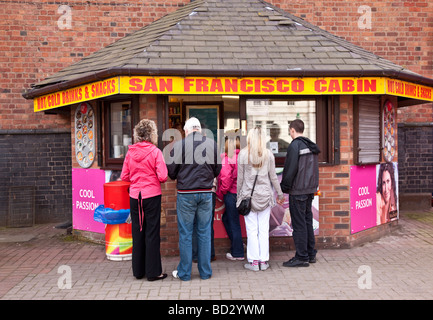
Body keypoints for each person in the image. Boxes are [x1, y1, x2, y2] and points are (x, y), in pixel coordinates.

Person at [167, 117, 221, 281]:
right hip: (206, 193)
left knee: (186, 233)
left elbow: (171, 172)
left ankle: (185, 273)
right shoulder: (212, 144)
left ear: (187, 130)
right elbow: (217, 169)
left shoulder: (179, 145)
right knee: (204, 232)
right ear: (199, 130)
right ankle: (205, 272)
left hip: (186, 194)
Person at [120, 119, 168, 281]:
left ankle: (138, 271)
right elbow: (163, 176)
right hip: (151, 196)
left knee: (137, 231)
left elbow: (124, 176)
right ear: (152, 134)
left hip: (135, 196)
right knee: (152, 233)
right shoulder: (155, 152)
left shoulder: (130, 152)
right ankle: (154, 272)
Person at [237, 126, 284, 271]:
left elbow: (241, 178)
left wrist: (239, 196)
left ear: (250, 138)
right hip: (265, 196)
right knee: (263, 229)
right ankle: (264, 261)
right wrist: (280, 194)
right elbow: (273, 177)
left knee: (251, 230)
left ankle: (254, 262)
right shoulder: (268, 154)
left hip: (248, 196)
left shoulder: (243, 154)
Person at [280, 119, 320, 267]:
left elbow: (290, 170)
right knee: (307, 222)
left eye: (289, 130)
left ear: (292, 130)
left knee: (299, 225)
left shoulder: (294, 146)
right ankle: (310, 254)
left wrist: (284, 187)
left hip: (298, 191)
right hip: (310, 190)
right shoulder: (310, 145)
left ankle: (301, 257)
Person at [216, 131, 244, 261]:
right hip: (242, 194)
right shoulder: (243, 157)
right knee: (228, 219)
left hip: (231, 194)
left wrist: (221, 192)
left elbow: (226, 178)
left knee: (233, 222)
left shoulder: (228, 159)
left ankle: (237, 252)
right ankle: (238, 244)